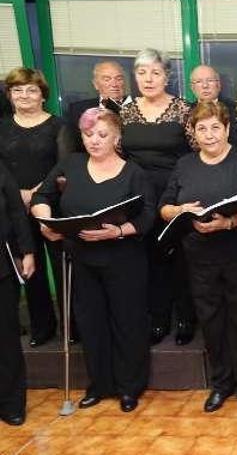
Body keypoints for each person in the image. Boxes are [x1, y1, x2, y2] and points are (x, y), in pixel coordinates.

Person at [32, 108, 155, 413]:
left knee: (128, 324)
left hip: (124, 260)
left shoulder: (134, 172)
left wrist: (119, 231)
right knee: (91, 324)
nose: (94, 141)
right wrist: (46, 221)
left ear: (117, 138)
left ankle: (129, 387)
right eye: (88, 135)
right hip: (82, 259)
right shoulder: (70, 164)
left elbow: (148, 215)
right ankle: (99, 385)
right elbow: (41, 197)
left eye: (102, 135)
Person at [159, 102, 237, 415]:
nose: (209, 134)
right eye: (201, 128)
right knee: (211, 322)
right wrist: (180, 211)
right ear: (193, 133)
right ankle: (221, 385)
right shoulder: (185, 164)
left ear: (227, 129)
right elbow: (164, 206)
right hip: (198, 257)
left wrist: (228, 222)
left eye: (215, 127)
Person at [119, 48, 196, 346]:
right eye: (142, 72)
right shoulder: (125, 112)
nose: (148, 78)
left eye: (155, 72)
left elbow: (196, 152)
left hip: (174, 191)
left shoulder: (184, 109)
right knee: (149, 258)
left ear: (167, 76)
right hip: (136, 194)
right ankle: (158, 318)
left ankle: (185, 318)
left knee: (180, 256)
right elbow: (119, 154)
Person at [0, 67, 73, 348]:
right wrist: (16, 194)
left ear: (43, 95)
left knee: (61, 265)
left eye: (31, 90)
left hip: (52, 206)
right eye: (17, 90)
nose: (24, 95)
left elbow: (62, 166)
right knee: (30, 268)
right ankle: (41, 326)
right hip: (12, 208)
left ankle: (71, 325)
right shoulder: (2, 126)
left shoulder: (59, 126)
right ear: (9, 95)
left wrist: (35, 194)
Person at [0, 162, 35, 426]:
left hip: (2, 265)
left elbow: (15, 209)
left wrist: (27, 251)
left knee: (6, 338)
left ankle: (11, 403)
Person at [66, 61, 131, 151]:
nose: (114, 84)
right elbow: (73, 148)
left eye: (119, 79)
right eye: (107, 79)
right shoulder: (78, 110)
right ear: (96, 84)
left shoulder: (137, 108)